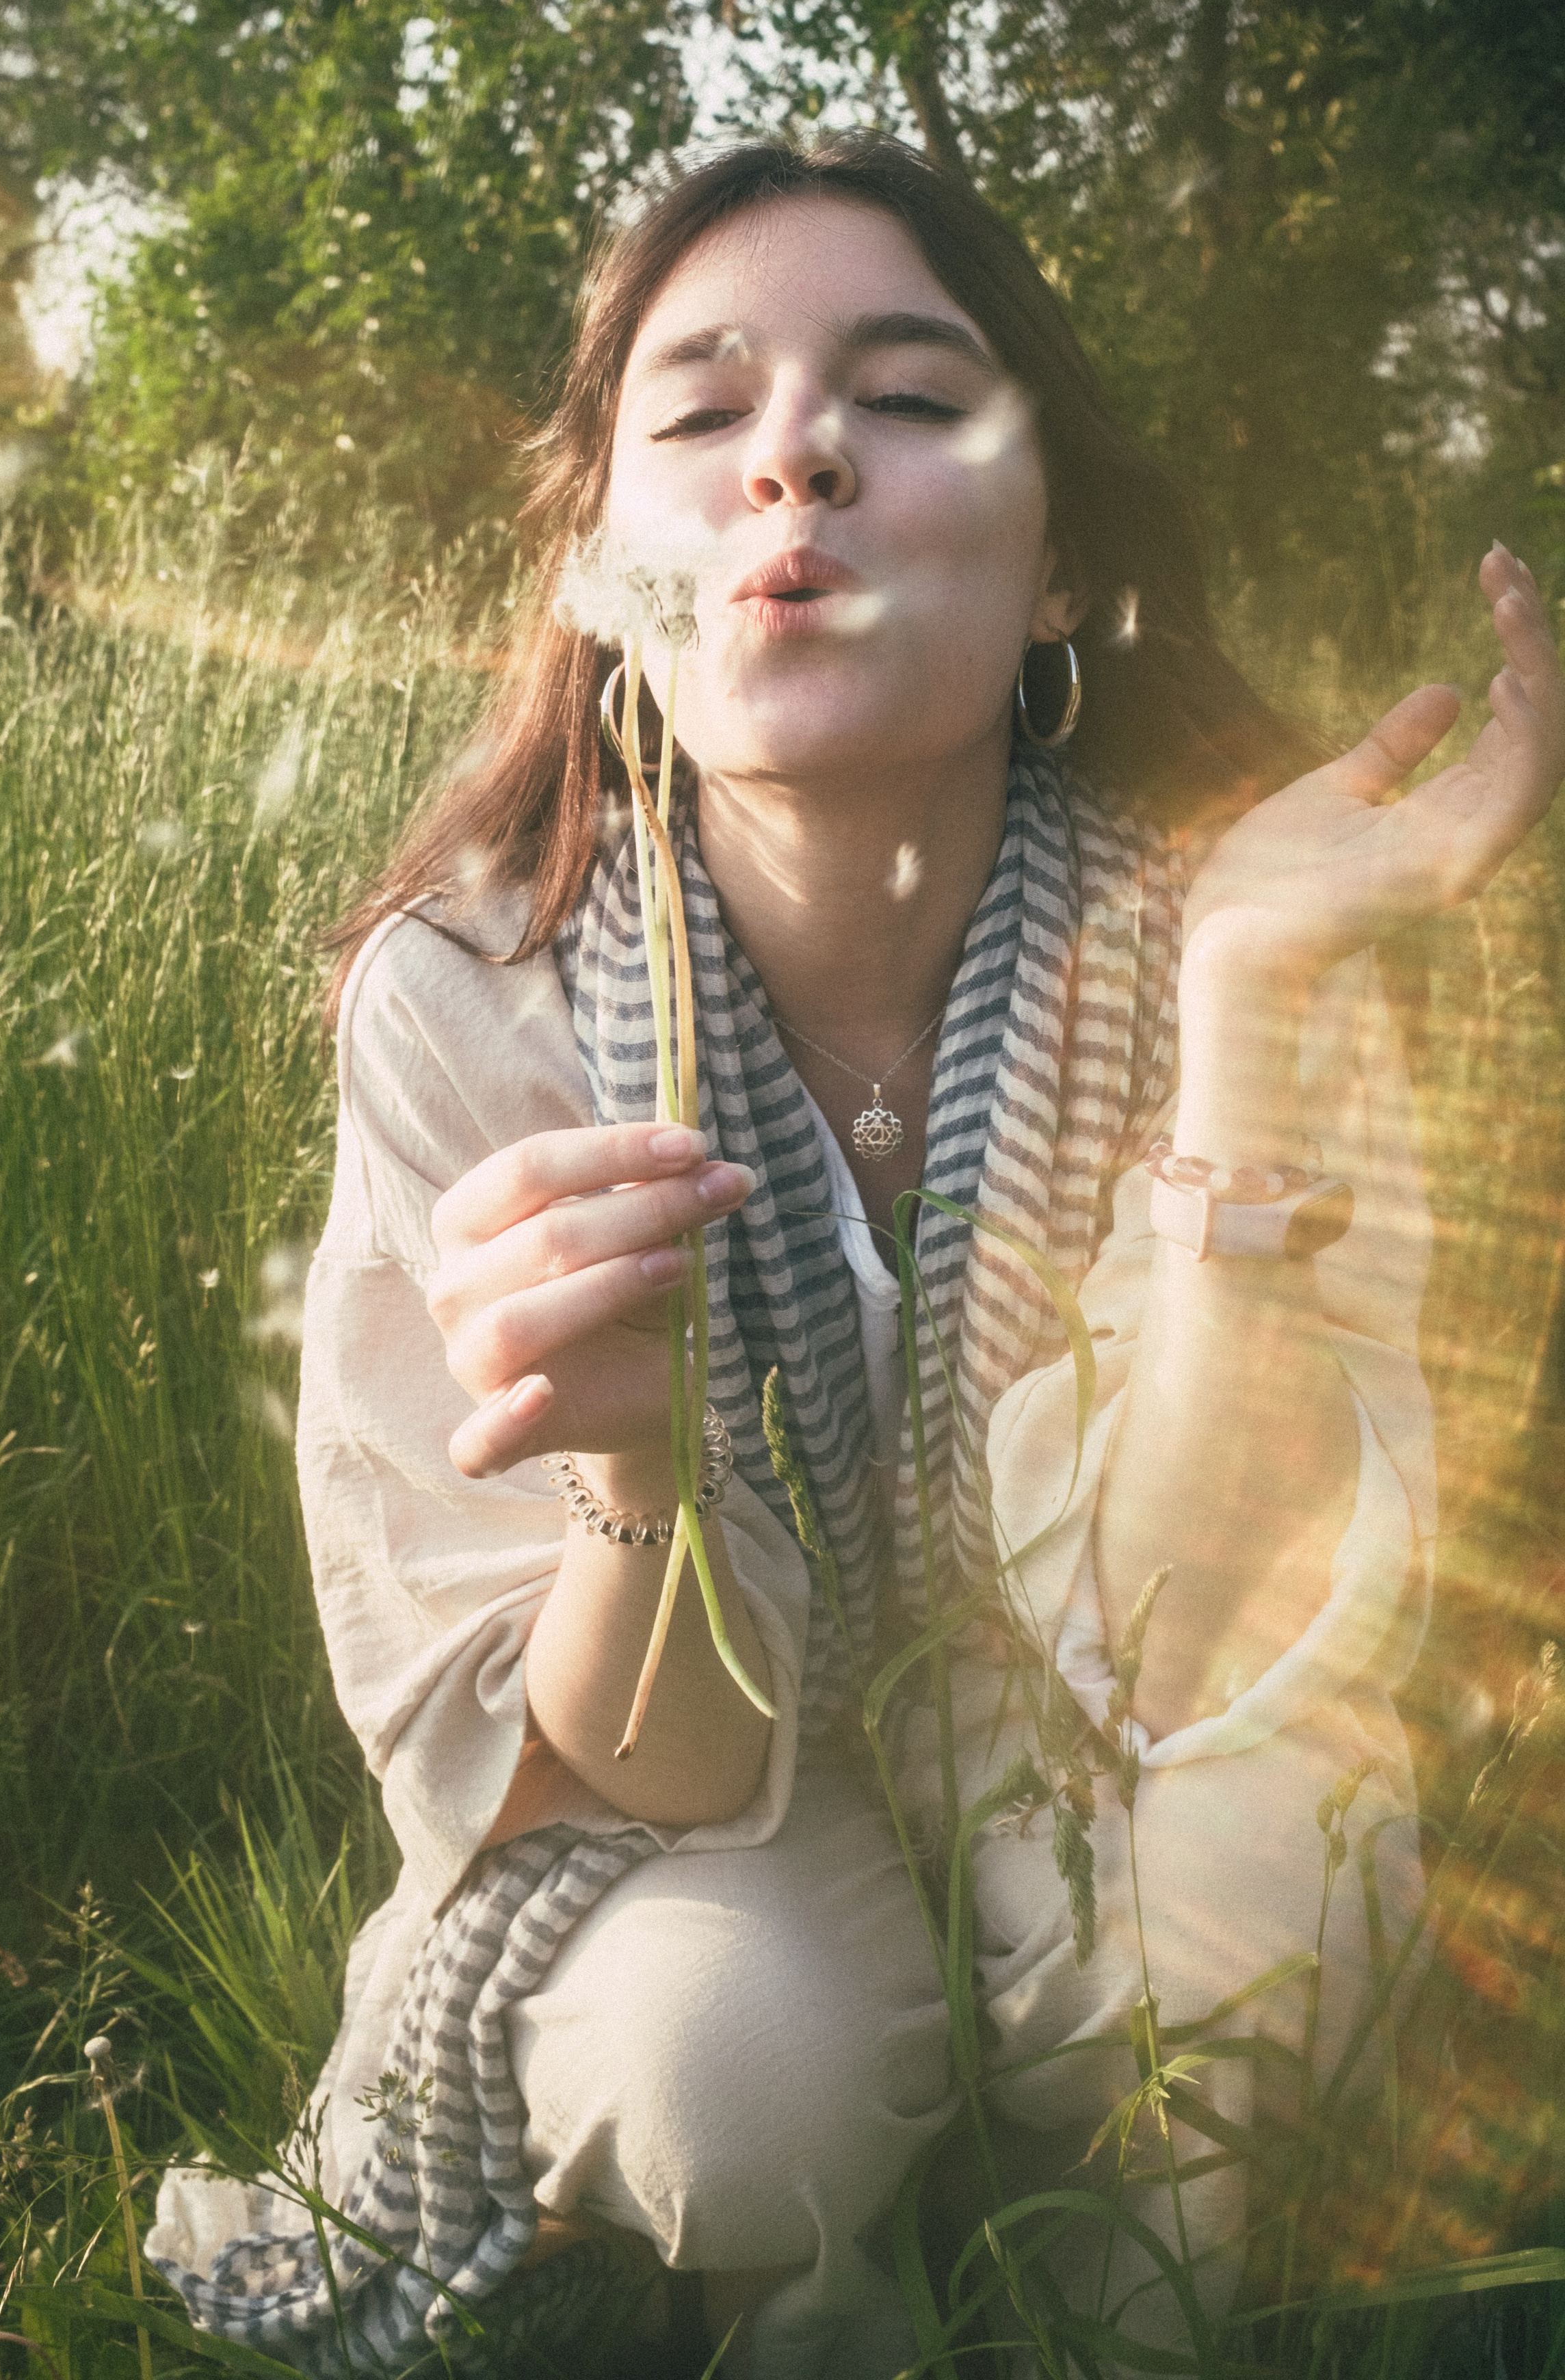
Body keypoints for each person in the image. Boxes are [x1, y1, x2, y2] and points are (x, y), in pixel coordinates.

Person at [148, 136, 1564, 2379]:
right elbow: (653, 1767)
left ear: (1067, 560)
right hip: (713, 1783)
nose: (793, 449)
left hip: (1112, 1736)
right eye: (701, 414)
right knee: (742, 2063)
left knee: (1258, 1884)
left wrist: (1255, 1010)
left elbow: (1192, 1654)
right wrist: (636, 1478)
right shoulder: (466, 1004)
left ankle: (1125, 2318)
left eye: (904, 400)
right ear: (612, 566)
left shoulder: (1254, 936)